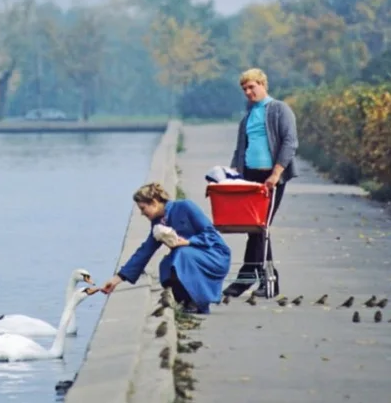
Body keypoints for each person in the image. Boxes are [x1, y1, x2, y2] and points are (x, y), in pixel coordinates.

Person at [222, 67, 298, 298]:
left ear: (263, 84)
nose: (248, 91)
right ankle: (267, 281)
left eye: (251, 86)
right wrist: (234, 173)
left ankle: (248, 278)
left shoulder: (279, 109)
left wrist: (276, 174)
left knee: (259, 227)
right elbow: (240, 148)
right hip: (249, 177)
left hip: (271, 178)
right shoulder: (247, 116)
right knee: (256, 229)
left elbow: (290, 142)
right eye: (244, 88)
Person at [100, 182, 231, 314]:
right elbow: (145, 252)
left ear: (154, 202)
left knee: (181, 255)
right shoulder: (158, 223)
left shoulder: (185, 207)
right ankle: (185, 299)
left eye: (143, 208)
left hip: (215, 254)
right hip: (190, 257)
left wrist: (188, 241)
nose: (142, 213)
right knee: (166, 264)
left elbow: (211, 235)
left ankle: (197, 300)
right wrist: (116, 279)